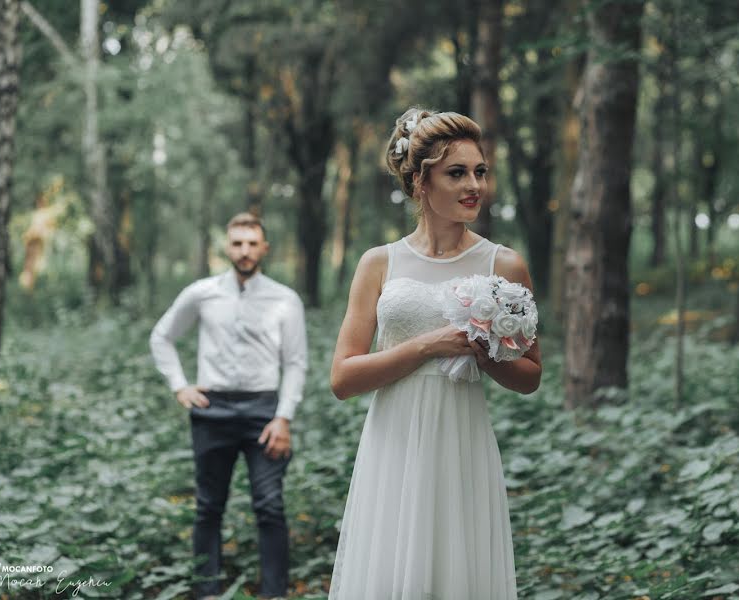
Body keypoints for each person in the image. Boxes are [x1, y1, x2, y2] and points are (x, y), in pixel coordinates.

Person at [328, 107, 542, 599]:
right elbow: (343, 378)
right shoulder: (378, 263)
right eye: (457, 173)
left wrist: (485, 353)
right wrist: (429, 345)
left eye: (480, 171)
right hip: (394, 441)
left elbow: (531, 376)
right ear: (421, 182)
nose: (475, 185)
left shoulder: (503, 263)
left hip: (460, 440)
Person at [149, 212, 307, 600]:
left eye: (252, 243)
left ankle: (274, 594)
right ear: (227, 247)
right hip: (212, 411)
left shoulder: (285, 299)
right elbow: (162, 337)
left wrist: (283, 417)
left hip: (264, 414)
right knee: (208, 508)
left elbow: (296, 363)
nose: (245, 251)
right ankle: (206, 593)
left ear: (264, 248)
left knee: (270, 507)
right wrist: (180, 387)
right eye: (237, 243)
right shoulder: (202, 293)